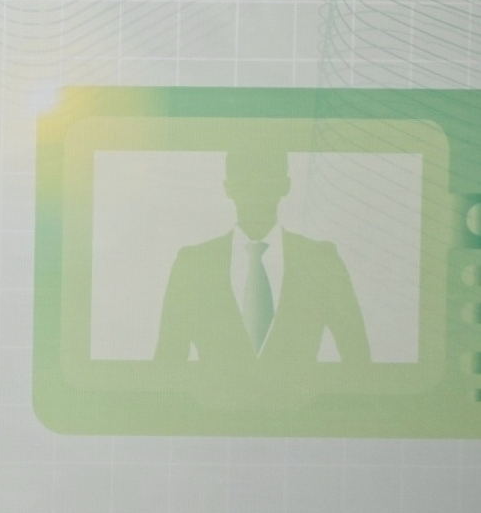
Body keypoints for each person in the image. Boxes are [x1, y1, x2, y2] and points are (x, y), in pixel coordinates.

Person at [153, 146, 371, 370]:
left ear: (285, 185)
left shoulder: (320, 261)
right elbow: (168, 361)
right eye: (245, 180)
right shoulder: (193, 265)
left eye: (265, 179)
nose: (254, 191)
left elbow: (358, 357)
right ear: (228, 188)